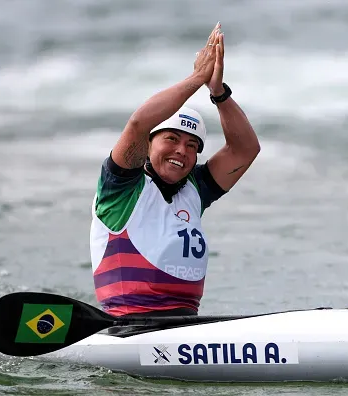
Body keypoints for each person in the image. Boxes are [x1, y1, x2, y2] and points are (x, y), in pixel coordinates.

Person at [89, 22, 260, 320]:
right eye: (171, 138)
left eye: (192, 145)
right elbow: (138, 124)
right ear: (149, 143)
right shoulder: (121, 185)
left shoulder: (197, 189)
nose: (182, 150)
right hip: (130, 325)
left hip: (187, 327)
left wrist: (218, 92)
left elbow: (245, 150)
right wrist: (197, 78)